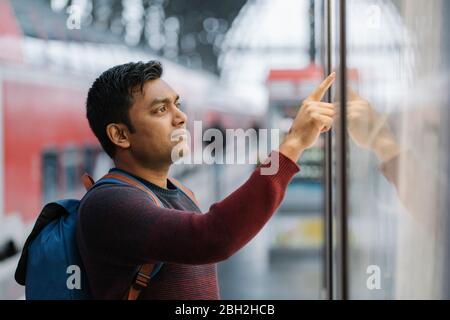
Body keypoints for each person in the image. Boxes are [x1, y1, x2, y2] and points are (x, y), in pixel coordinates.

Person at [78, 60, 336, 299]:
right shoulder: (108, 204)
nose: (181, 117)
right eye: (160, 109)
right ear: (120, 135)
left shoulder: (180, 192)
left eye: (177, 104)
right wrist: (293, 144)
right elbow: (214, 236)